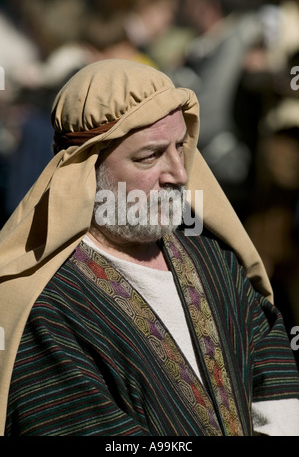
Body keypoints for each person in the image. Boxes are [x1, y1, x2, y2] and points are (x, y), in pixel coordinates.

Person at [0, 59, 298, 436]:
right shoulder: (48, 307)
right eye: (150, 156)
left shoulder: (211, 257)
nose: (179, 173)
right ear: (85, 170)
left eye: (180, 147)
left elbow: (269, 357)